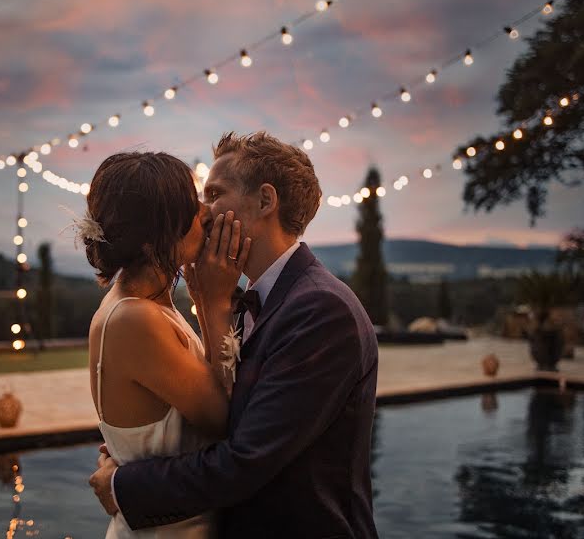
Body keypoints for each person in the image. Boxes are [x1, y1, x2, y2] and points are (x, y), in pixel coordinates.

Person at [89, 132, 379, 538]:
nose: (203, 212)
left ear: (264, 201)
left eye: (214, 193)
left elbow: (245, 458)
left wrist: (125, 486)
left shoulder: (320, 310)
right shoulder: (247, 298)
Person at [81, 151, 250, 538]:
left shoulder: (150, 306)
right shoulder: (133, 318)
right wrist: (216, 302)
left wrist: (205, 301)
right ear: (150, 238)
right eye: (190, 209)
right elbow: (224, 422)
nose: (206, 213)